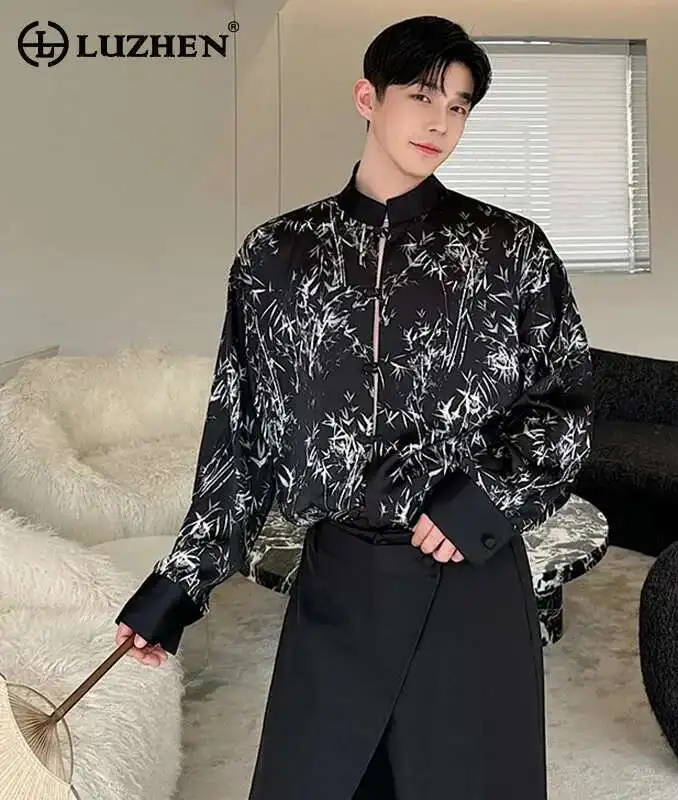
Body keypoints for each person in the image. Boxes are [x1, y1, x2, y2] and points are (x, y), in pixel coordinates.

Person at [115, 14, 593, 800]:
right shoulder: (275, 257)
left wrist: (482, 504)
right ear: (367, 99)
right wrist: (178, 587)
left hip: (468, 582)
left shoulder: (510, 249)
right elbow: (241, 440)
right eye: (422, 96)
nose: (441, 122)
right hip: (339, 580)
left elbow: (563, 410)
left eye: (460, 106)